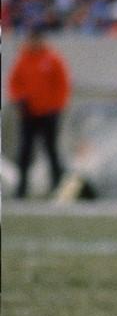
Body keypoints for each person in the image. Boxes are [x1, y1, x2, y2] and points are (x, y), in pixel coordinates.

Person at [7, 24, 71, 198]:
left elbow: (62, 85)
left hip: (48, 113)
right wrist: (19, 99)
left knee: (51, 150)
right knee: (25, 151)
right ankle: (21, 187)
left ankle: (57, 185)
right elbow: (14, 83)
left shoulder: (52, 59)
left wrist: (56, 107)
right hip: (29, 114)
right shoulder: (23, 59)